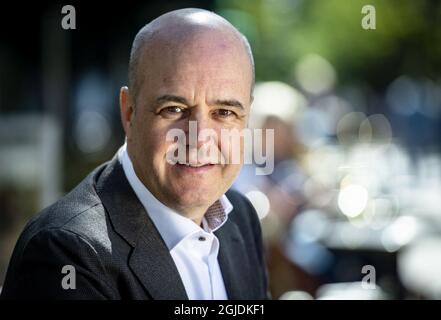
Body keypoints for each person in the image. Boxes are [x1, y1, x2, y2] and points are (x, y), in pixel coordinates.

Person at [0, 8, 268, 300]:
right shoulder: (66, 253)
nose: (199, 137)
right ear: (129, 113)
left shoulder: (241, 217)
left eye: (225, 112)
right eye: (174, 109)